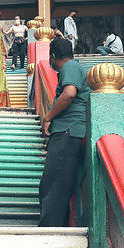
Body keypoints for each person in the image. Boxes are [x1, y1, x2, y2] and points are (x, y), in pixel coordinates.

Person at [38, 37, 90, 227]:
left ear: (52, 56)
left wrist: (48, 117)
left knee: (54, 182)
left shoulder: (70, 68)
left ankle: (49, 228)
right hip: (69, 130)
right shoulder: (73, 69)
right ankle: (57, 225)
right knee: (55, 181)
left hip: (69, 130)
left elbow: (69, 94)